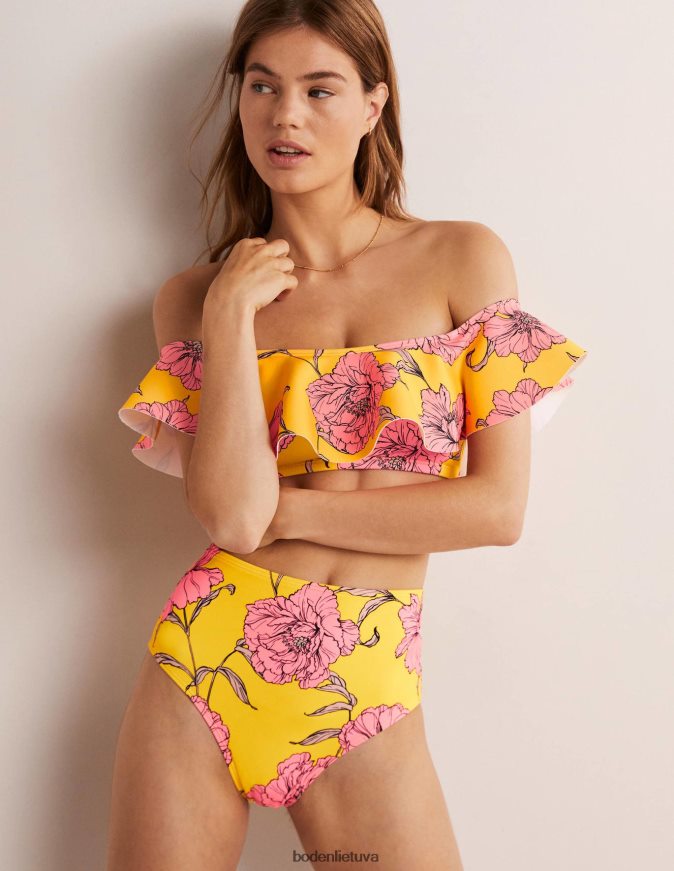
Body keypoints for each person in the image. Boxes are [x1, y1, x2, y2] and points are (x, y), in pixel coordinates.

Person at [106, 2, 588, 869]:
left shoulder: (460, 258)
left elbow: (495, 510)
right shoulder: (197, 297)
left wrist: (284, 511)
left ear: (373, 104)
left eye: (319, 90)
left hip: (367, 679)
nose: (285, 115)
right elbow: (231, 518)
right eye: (263, 87)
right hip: (204, 664)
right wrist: (229, 312)